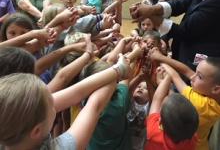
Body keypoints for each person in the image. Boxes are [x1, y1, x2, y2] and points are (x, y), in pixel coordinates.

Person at [0, 52, 131, 150]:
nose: (55, 100)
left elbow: (76, 92)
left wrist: (117, 69)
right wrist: (119, 69)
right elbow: (94, 106)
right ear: (36, 131)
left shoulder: (10, 129)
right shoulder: (64, 147)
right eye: (52, 104)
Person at [149, 48, 220, 150]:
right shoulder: (212, 96)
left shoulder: (201, 104)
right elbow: (187, 71)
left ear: (216, 89)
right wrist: (161, 57)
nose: (192, 77)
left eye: (199, 76)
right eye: (196, 72)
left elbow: (174, 76)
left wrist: (160, 61)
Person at [145, 69, 199, 150]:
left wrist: (168, 76)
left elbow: (157, 100)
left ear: (160, 121)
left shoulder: (153, 132)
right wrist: (168, 89)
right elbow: (173, 106)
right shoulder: (193, 139)